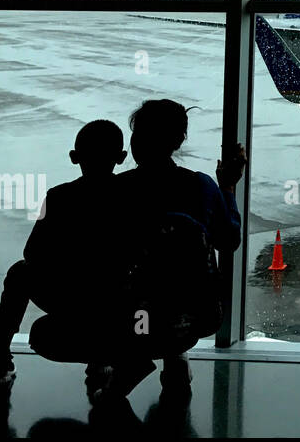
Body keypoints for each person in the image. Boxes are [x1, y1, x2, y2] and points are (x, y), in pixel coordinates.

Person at [97, 99, 245, 403]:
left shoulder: (116, 190)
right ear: (178, 141)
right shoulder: (201, 187)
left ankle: (130, 369)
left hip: (135, 318)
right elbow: (228, 240)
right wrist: (227, 189)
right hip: (196, 315)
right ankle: (174, 354)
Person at [0, 120, 128, 393]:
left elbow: (32, 252)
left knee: (19, 272)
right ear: (121, 158)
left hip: (67, 296)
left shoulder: (58, 196)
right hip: (112, 300)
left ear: (74, 158)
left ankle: (0, 356)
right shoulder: (130, 196)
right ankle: (103, 358)